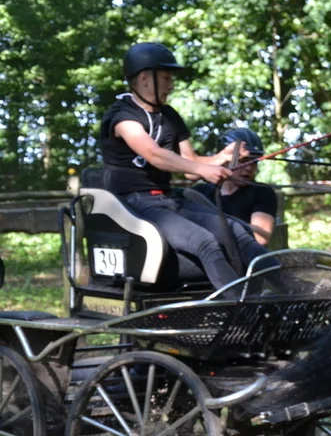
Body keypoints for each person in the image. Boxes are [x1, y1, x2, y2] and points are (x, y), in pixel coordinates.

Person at [98, 42, 270, 289]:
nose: (171, 85)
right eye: (166, 77)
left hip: (169, 200)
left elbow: (191, 167)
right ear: (145, 78)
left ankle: (290, 287)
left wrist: (222, 157)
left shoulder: (169, 116)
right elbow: (155, 154)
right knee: (204, 241)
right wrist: (205, 170)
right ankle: (240, 305)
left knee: (235, 231)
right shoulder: (122, 116)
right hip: (133, 204)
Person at [193, 128, 277, 246]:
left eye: (254, 162)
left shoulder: (262, 192)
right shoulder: (200, 193)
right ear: (224, 161)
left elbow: (260, 238)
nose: (249, 168)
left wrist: (217, 222)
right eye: (243, 160)